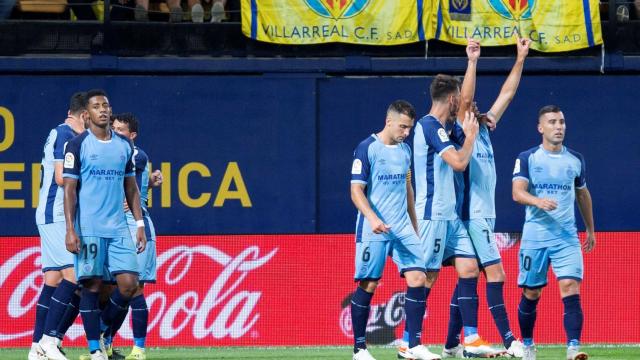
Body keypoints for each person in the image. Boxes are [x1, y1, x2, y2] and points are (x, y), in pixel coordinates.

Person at [405, 39, 503, 358]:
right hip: (432, 215)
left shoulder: (444, 127)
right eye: (458, 99)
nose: (462, 103)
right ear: (450, 98)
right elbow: (460, 162)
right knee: (427, 277)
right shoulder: (429, 126)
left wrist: (472, 62)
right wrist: (472, 138)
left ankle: (471, 339)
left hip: (451, 219)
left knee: (470, 268)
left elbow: (468, 101)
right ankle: (411, 342)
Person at [442, 37, 531, 358]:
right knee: (497, 274)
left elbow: (507, 94)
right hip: (471, 216)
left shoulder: (484, 128)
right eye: (469, 106)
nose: (475, 107)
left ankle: (453, 343)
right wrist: (473, 61)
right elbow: (466, 101)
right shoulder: (459, 131)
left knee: (467, 278)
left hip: (485, 215)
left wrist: (520, 58)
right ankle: (511, 341)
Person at [350, 100, 438, 360]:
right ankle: (359, 349)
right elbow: (356, 190)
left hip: (402, 228)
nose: (406, 132)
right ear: (389, 122)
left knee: (419, 278)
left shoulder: (405, 151)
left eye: (409, 128)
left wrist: (415, 225)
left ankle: (413, 345)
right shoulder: (367, 148)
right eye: (403, 127)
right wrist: (372, 218)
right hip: (373, 228)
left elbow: (408, 189)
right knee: (369, 283)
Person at [63, 89, 147, 360]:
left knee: (129, 285)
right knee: (92, 286)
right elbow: (69, 190)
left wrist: (139, 223)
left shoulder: (124, 146)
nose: (104, 110)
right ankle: (94, 349)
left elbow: (131, 187)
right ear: (87, 114)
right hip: (89, 228)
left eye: (106, 105)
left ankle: (100, 330)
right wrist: (70, 229)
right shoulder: (77, 145)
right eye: (97, 106)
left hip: (119, 228)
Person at [512, 105, 595, 360]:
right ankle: (527, 344)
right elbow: (517, 192)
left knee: (570, 286)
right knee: (531, 293)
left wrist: (590, 229)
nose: (559, 126)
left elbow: (582, 194)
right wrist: (538, 202)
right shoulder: (527, 158)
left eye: (561, 122)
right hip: (535, 237)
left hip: (566, 237)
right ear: (541, 128)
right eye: (552, 122)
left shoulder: (575, 159)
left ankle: (572, 348)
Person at [30, 92, 87, 360]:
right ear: (84, 114)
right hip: (56, 213)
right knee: (74, 277)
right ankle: (48, 341)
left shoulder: (62, 133)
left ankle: (35, 348)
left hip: (51, 213)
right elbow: (62, 177)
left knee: (52, 280)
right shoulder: (66, 135)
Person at [105, 113, 162, 360]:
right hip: (116, 225)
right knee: (118, 288)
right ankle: (104, 341)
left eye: (121, 130)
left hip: (137, 226)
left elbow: (118, 177)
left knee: (135, 288)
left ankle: (138, 349)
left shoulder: (135, 154)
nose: (115, 132)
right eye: (113, 128)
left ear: (132, 135)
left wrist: (136, 194)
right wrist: (150, 180)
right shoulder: (117, 153)